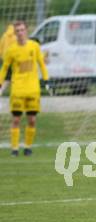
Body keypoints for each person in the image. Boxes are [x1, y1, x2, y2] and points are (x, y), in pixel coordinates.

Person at [0, 20, 49, 157]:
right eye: (18, 31)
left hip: (33, 90)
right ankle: (14, 149)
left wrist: (46, 80)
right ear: (15, 33)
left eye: (22, 30)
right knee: (16, 119)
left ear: (26, 30)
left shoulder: (34, 46)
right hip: (17, 90)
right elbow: (4, 68)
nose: (20, 33)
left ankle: (28, 147)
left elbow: (42, 64)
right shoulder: (11, 50)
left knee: (32, 119)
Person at [0, 24, 17, 94]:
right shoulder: (15, 37)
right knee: (13, 77)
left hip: (5, 60)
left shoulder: (4, 36)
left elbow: (0, 47)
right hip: (13, 61)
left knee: (7, 78)